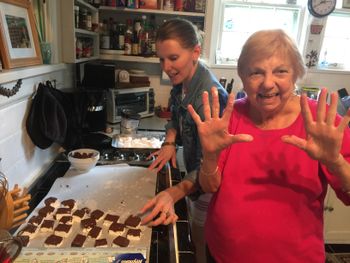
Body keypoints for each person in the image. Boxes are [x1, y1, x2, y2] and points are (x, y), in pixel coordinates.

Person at [187, 29, 350, 263]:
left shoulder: (320, 122)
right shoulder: (232, 115)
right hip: (224, 253)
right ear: (243, 76)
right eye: (256, 72)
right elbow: (210, 186)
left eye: (280, 71)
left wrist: (336, 162)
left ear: (296, 74)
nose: (268, 83)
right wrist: (210, 156)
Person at [139, 18, 228, 263]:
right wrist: (169, 142)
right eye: (161, 59)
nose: (166, 67)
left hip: (211, 188)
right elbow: (175, 117)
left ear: (195, 52)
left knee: (200, 244)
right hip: (194, 179)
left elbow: (211, 163)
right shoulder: (184, 82)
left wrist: (174, 192)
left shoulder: (208, 97)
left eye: (173, 58)